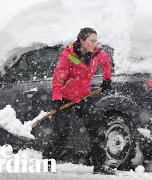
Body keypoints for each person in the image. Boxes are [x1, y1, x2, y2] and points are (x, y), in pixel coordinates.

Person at [47, 27, 114, 175]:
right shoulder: (67, 56)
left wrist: (107, 79)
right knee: (61, 132)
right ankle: (49, 164)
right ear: (82, 40)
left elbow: (106, 62)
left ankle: (99, 166)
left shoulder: (96, 53)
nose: (94, 44)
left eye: (95, 41)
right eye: (91, 41)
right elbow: (58, 79)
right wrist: (57, 99)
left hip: (83, 97)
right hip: (65, 98)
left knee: (97, 128)